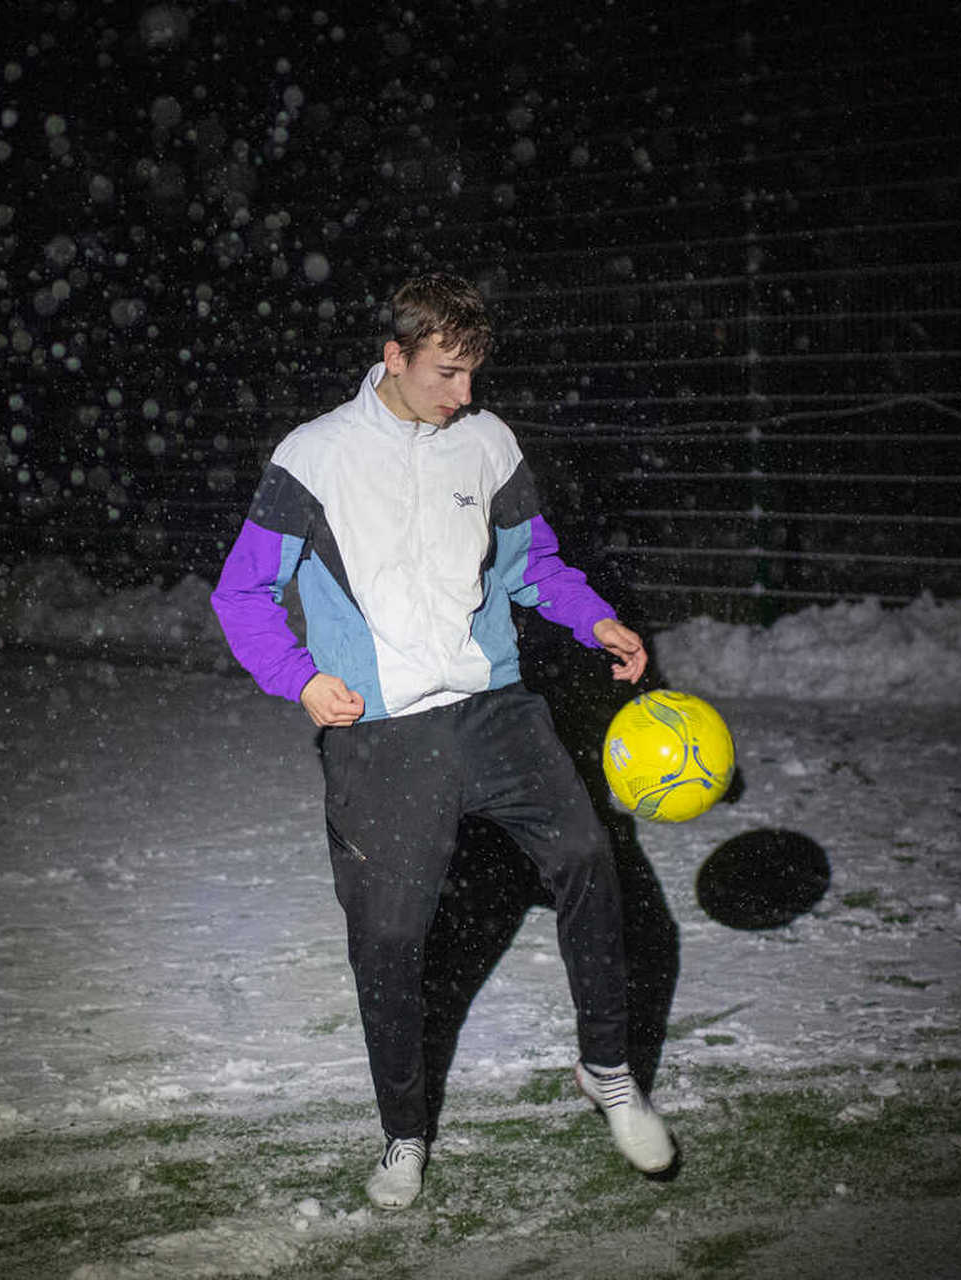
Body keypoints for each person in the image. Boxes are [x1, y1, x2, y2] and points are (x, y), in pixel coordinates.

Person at [210, 271, 675, 1210]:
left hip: (494, 711)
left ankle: (607, 1070)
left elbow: (530, 565)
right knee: (388, 937)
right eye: (446, 373)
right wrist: (301, 678)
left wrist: (595, 622)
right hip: (382, 734)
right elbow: (243, 595)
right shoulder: (315, 457)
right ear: (394, 358)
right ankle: (403, 1134)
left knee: (590, 859)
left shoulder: (487, 443)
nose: (464, 395)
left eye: (473, 374)